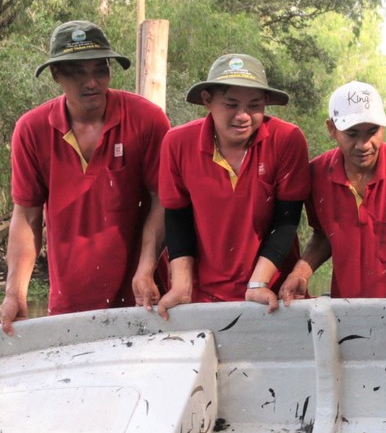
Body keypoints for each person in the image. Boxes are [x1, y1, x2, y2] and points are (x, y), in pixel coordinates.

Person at [2, 20, 170, 334]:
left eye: (100, 69)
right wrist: (15, 293)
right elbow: (26, 215)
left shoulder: (147, 120)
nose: (91, 82)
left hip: (143, 294)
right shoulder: (32, 130)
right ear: (56, 75)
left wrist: (146, 267)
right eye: (77, 72)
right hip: (69, 300)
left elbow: (164, 200)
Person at [157, 53, 311, 317]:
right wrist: (182, 286)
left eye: (254, 105)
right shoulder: (177, 143)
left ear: (266, 103)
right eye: (231, 104)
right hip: (204, 295)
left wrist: (258, 283)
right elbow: (177, 220)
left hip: (273, 293)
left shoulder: (287, 139)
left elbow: (287, 221)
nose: (243, 116)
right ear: (207, 100)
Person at [279, 81, 386, 303]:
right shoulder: (316, 174)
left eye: (373, 132)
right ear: (332, 128)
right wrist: (301, 272)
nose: (364, 145)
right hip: (346, 311)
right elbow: (324, 235)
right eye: (352, 134)